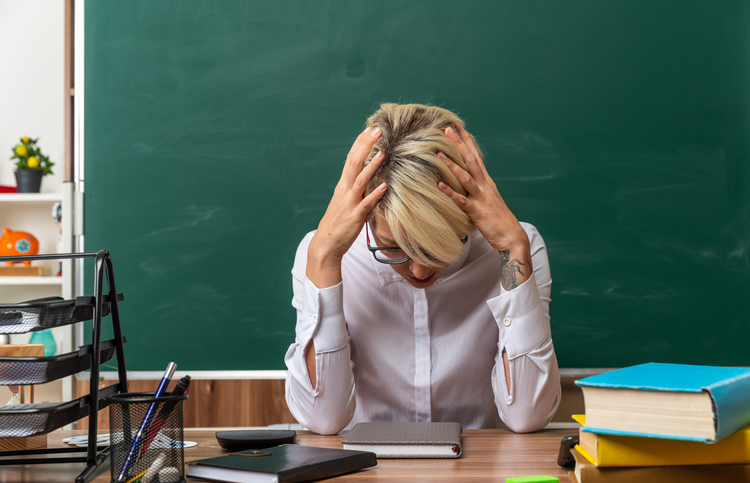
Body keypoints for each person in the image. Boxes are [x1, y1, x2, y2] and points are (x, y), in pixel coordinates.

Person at [285, 103, 561, 435]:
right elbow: (322, 419)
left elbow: (527, 416)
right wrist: (324, 260)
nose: (418, 271)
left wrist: (514, 249)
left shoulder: (516, 247)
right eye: (393, 247)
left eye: (435, 246)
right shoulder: (322, 255)